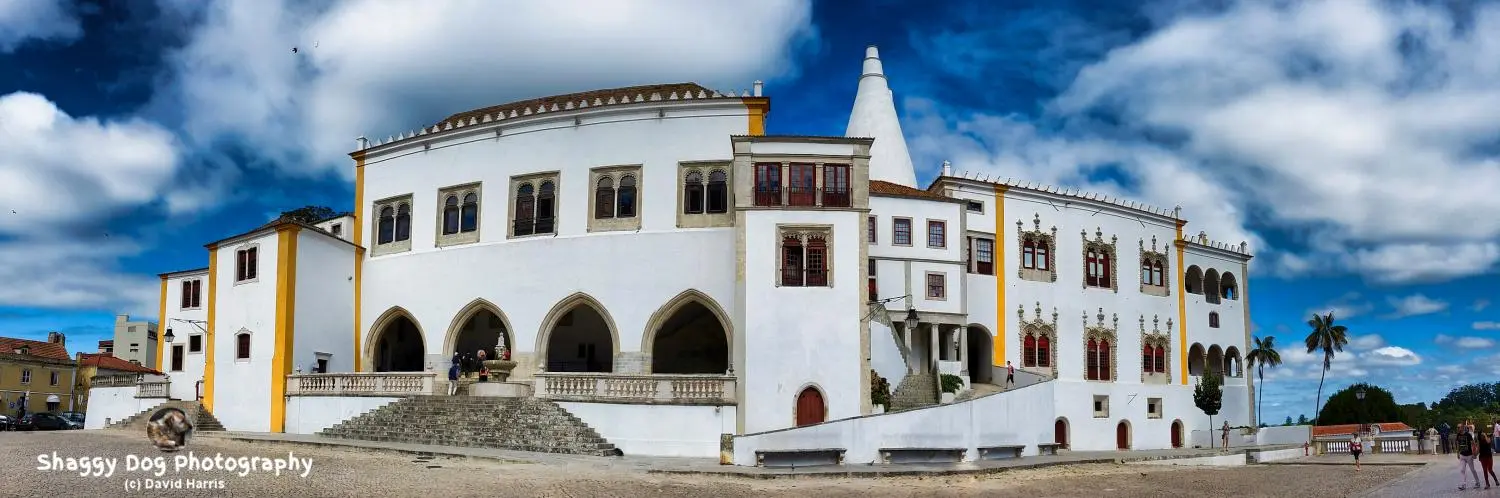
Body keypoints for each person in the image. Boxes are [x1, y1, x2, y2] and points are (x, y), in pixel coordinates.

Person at [1459, 422, 1481, 490]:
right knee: (1462, 470)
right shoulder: (1458, 435)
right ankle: (1463, 484)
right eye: (1457, 427)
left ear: (1463, 428)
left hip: (1469, 455)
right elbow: (1458, 443)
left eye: (1459, 427)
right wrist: (1458, 453)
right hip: (1462, 455)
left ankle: (1477, 482)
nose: (1458, 429)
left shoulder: (1468, 435)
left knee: (1472, 470)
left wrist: (1474, 453)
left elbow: (1473, 444)